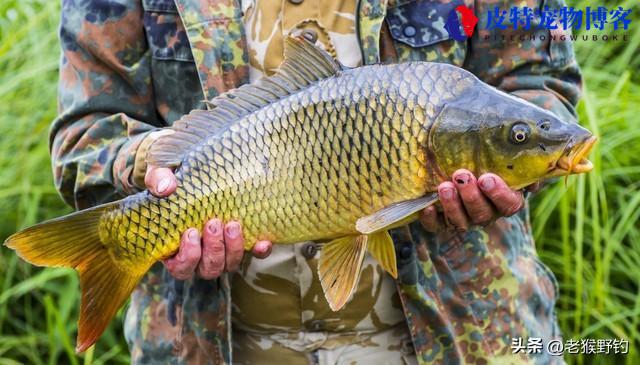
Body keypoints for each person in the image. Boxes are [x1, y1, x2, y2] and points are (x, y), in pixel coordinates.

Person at [52, 0, 580, 363]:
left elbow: (538, 85)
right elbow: (85, 137)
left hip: (466, 336)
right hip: (212, 342)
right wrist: (160, 168)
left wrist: (503, 174)